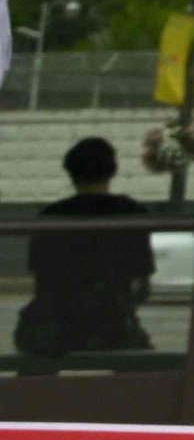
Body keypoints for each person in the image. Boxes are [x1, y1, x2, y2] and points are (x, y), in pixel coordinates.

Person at [15, 136, 154, 357]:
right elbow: (140, 279)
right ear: (112, 170)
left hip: (57, 326)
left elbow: (41, 279)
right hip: (112, 325)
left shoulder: (51, 216)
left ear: (70, 172)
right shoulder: (132, 213)